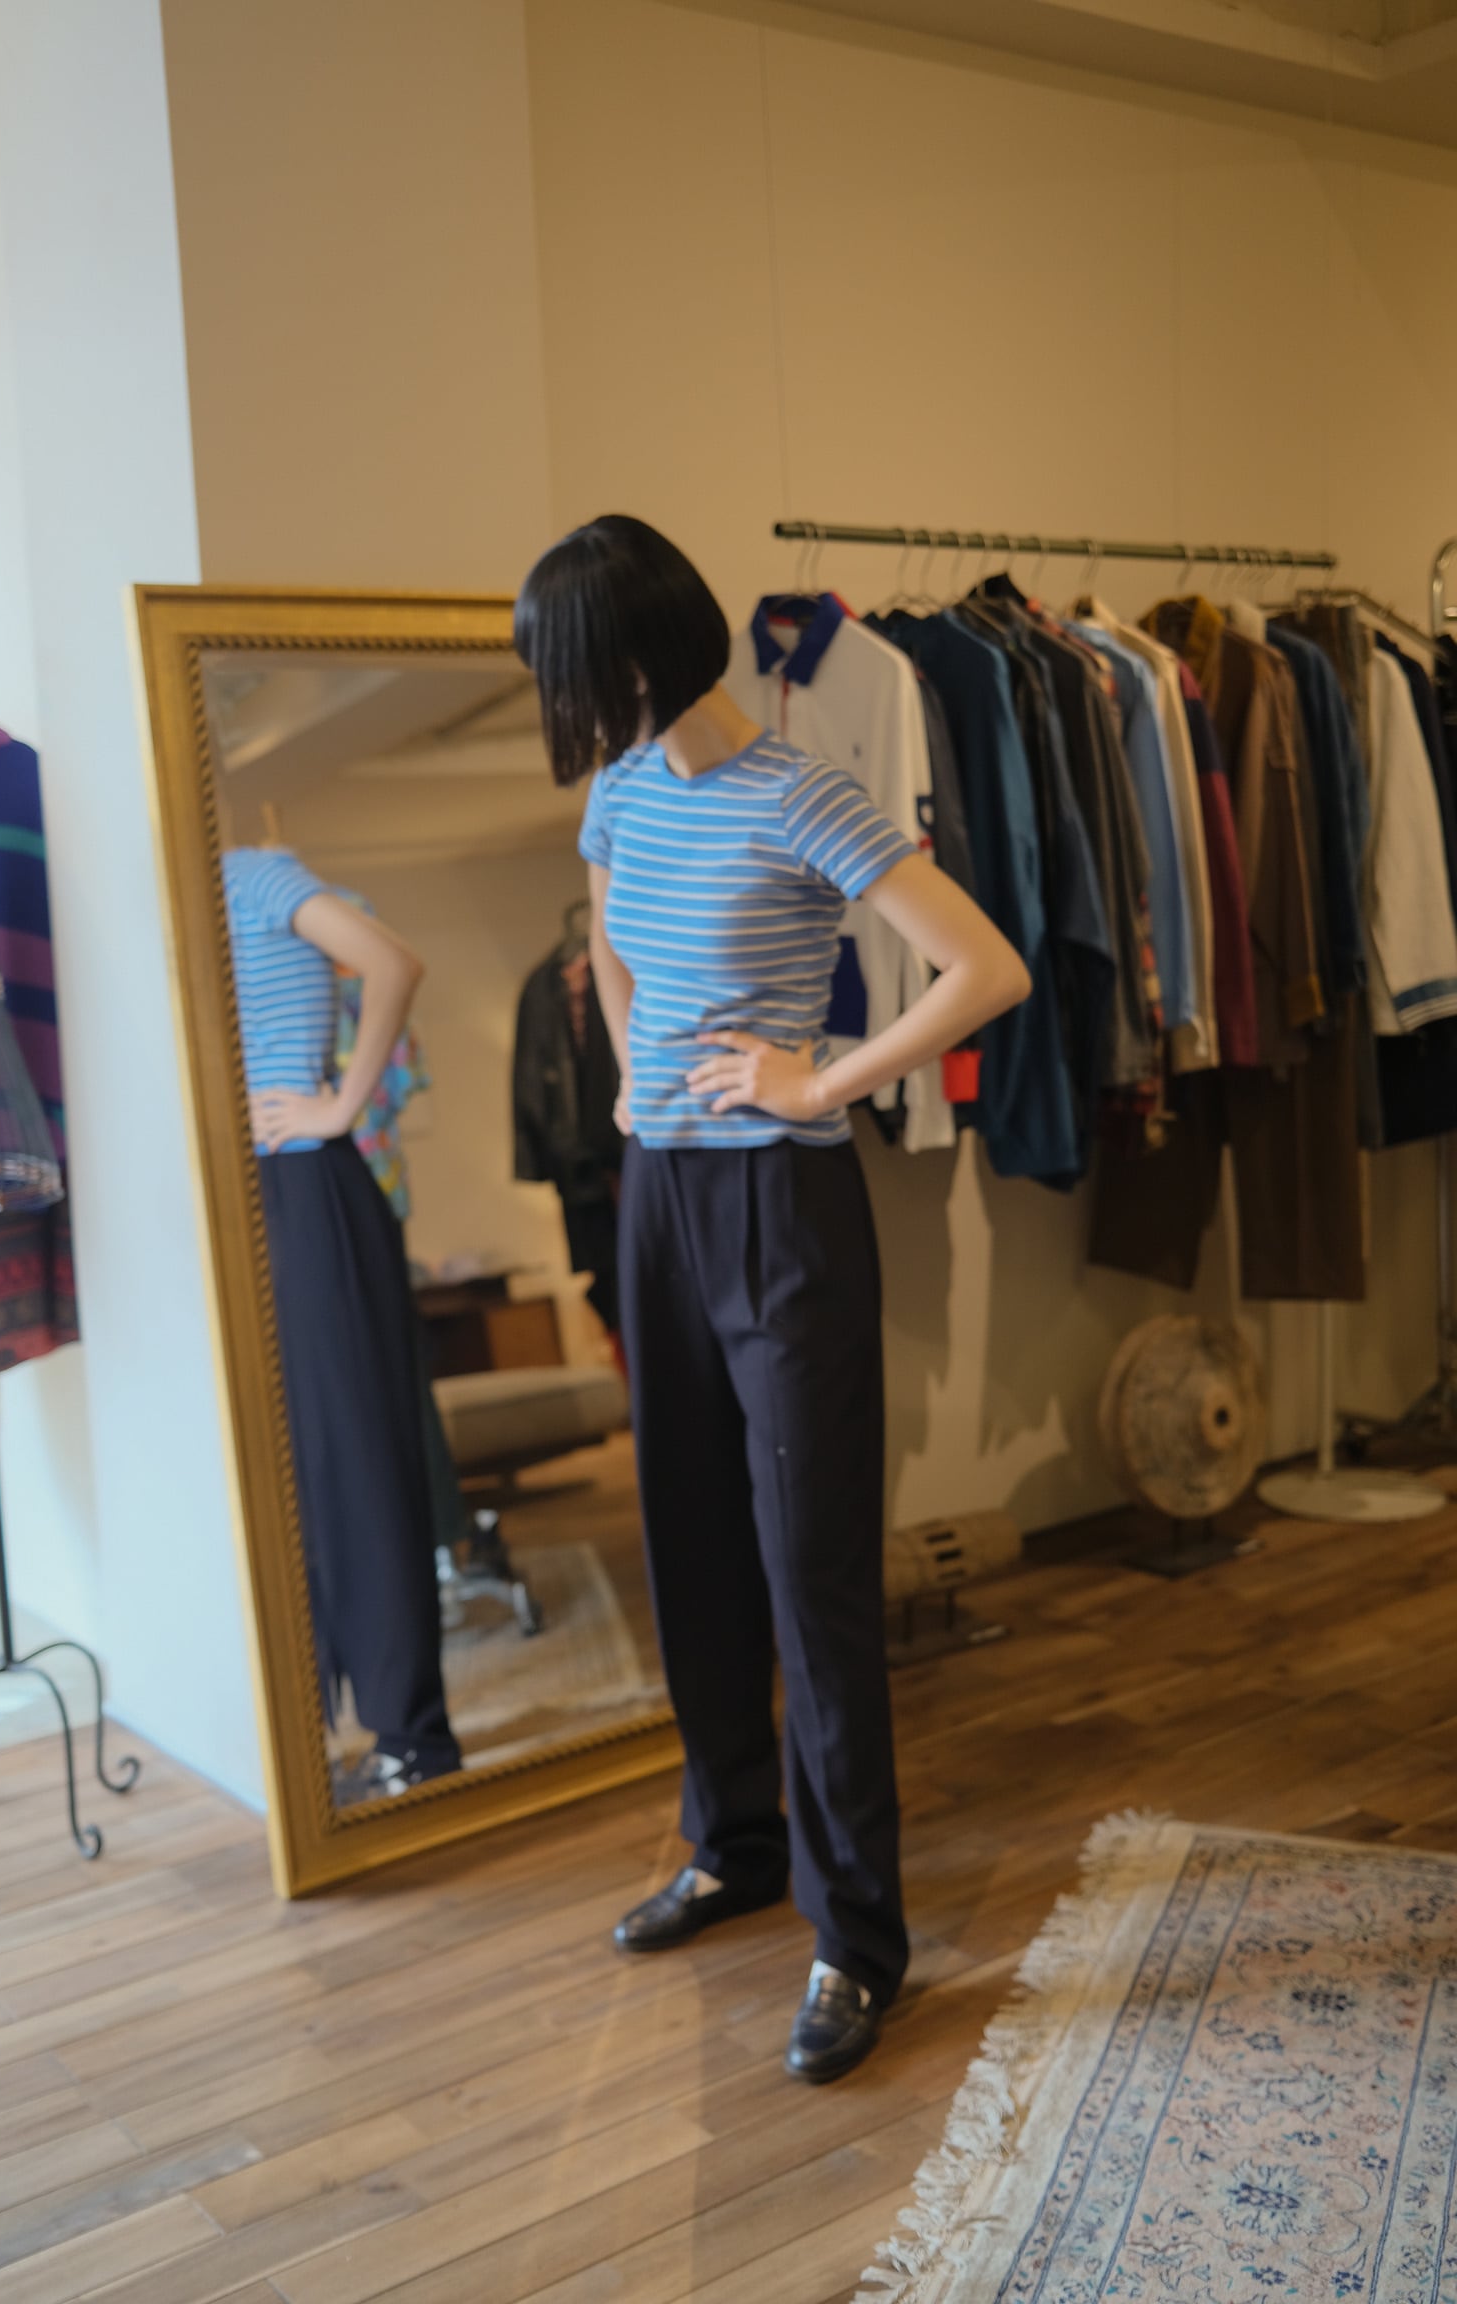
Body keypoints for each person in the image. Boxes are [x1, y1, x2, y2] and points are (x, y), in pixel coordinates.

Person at [514, 515, 1030, 2083]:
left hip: (783, 1207)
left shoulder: (802, 792)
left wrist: (821, 1079)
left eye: (562, 673)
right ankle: (733, 1842)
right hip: (661, 1200)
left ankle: (856, 1936)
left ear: (631, 661)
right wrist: (630, 1077)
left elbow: (986, 970)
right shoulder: (620, 789)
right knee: (689, 1539)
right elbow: (609, 939)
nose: (557, 704)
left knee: (813, 1574)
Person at [223, 847, 461, 1800]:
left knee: (356, 1460)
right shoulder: (160, 907)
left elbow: (394, 962)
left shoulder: (249, 873)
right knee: (297, 1473)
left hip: (305, 1181)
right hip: (248, 1192)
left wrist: (340, 1107)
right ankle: (326, 1732)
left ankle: (413, 1738)